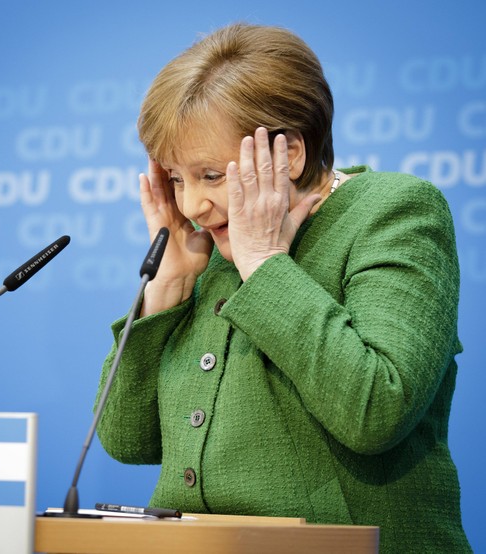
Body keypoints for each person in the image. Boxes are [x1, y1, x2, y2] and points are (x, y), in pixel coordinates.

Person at [95, 23, 471, 553]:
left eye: (210, 174)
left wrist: (266, 263)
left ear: (289, 153)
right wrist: (168, 288)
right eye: (177, 179)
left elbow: (377, 412)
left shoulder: (395, 211)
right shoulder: (205, 250)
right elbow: (125, 440)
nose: (191, 207)